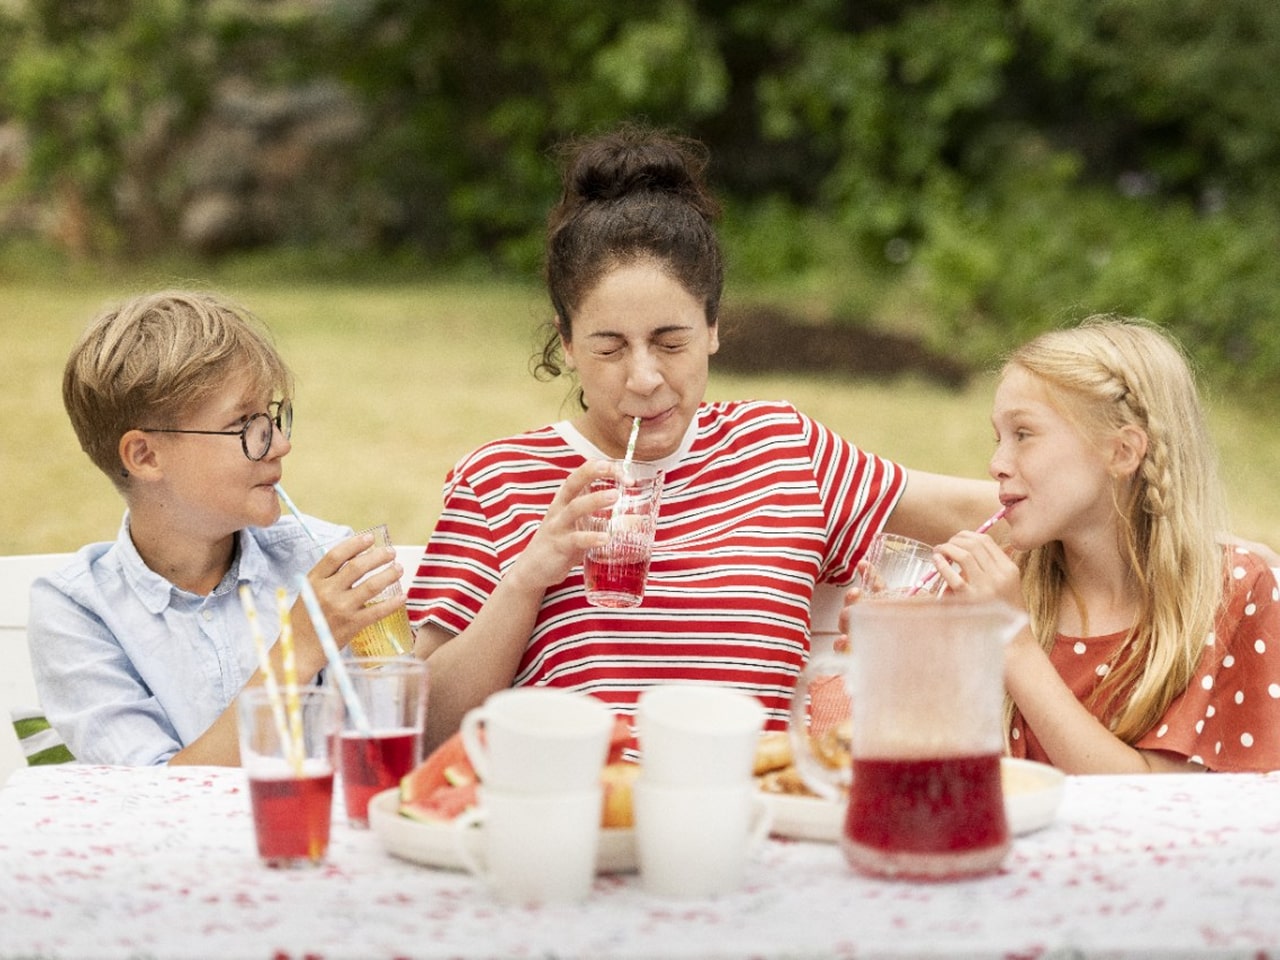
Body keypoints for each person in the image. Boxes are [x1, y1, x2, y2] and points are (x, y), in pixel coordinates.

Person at [407, 123, 999, 750]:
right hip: (588, 823)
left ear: (713, 326)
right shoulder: (497, 479)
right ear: (567, 344)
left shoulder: (780, 448)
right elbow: (422, 730)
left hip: (757, 820)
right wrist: (529, 578)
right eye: (609, 347)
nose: (644, 378)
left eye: (671, 342)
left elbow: (994, 517)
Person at [29, 290, 405, 766]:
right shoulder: (79, 610)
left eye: (272, 417)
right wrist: (300, 649)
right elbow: (154, 799)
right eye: (246, 424)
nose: (280, 444)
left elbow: (388, 748)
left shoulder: (323, 563)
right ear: (145, 456)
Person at [933, 316, 1280, 773]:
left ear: (1122, 452)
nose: (996, 463)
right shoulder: (1004, 588)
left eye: (1024, 434)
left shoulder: (1230, 593)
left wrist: (1013, 644)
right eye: (998, 438)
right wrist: (890, 658)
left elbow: (1152, 801)